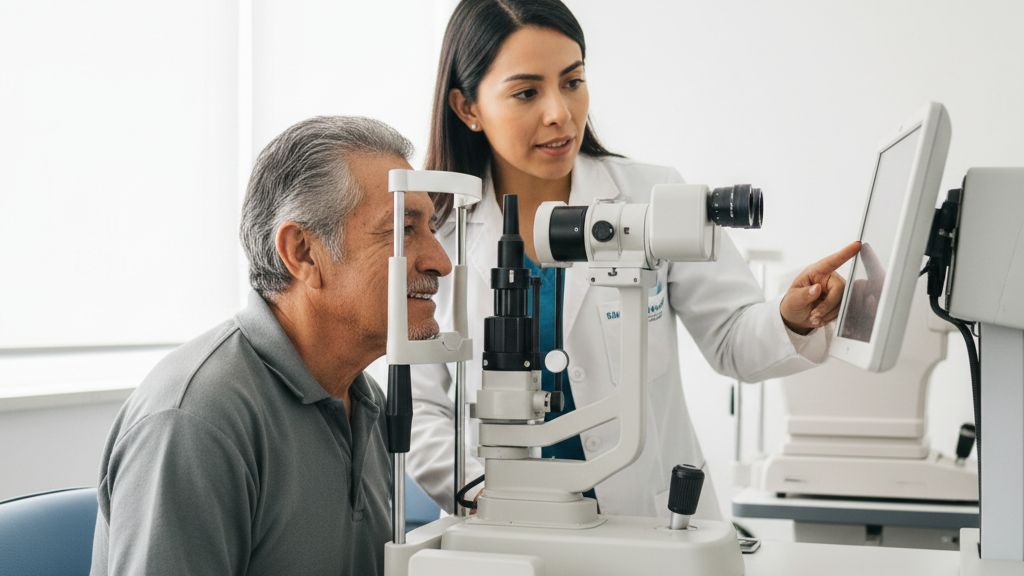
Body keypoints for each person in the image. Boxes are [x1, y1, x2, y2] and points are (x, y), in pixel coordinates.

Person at [406, 0, 861, 519]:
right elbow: (424, 409)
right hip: (505, 524)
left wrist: (790, 317)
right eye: (527, 92)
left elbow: (735, 341)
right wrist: (484, 493)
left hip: (650, 521)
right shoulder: (439, 234)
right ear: (467, 108)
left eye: (573, 81)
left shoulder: (653, 197)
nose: (560, 112)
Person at [90, 116, 451, 575]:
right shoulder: (197, 420)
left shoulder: (365, 399)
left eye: (432, 229)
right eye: (403, 229)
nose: (441, 262)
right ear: (302, 252)